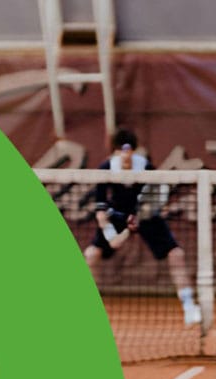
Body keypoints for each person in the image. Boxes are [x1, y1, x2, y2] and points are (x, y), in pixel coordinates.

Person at [82, 128, 205, 330]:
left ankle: (189, 306)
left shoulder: (146, 167)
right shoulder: (106, 168)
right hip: (117, 215)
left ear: (133, 150)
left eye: (129, 150)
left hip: (145, 214)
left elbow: (155, 197)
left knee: (176, 254)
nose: (126, 155)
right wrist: (111, 233)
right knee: (91, 254)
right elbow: (101, 209)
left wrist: (141, 216)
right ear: (115, 151)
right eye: (121, 150)